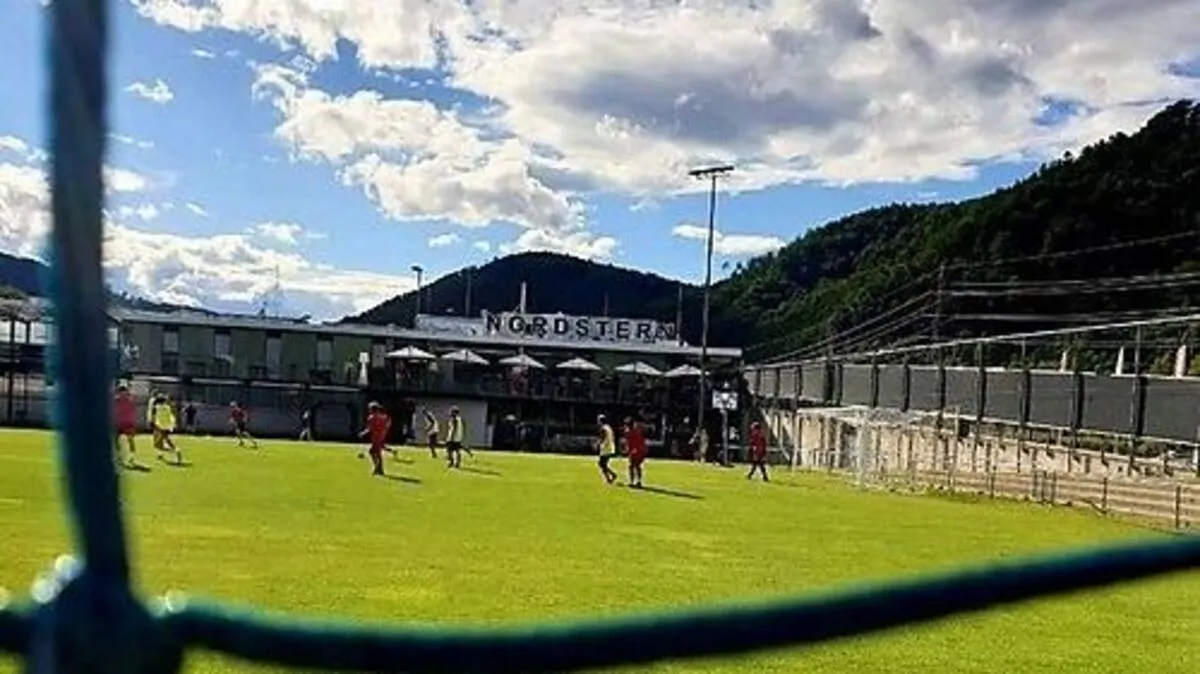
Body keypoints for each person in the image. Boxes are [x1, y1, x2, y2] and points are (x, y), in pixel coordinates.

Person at [148, 393, 183, 464]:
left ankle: (175, 450)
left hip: (160, 426)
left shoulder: (157, 407)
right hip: (167, 426)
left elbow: (154, 417)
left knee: (158, 444)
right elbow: (170, 416)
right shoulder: (168, 407)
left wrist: (152, 423)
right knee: (166, 440)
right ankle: (171, 451)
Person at [359, 401, 392, 477]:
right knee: (378, 453)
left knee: (372, 452)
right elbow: (388, 423)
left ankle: (377, 468)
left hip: (376, 437)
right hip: (381, 436)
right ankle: (379, 469)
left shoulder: (371, 418)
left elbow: (369, 428)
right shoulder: (383, 417)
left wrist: (363, 433)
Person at [113, 385, 140, 468]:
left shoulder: (130, 401)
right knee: (116, 441)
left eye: (124, 392)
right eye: (121, 393)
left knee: (131, 440)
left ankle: (132, 457)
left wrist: (133, 422)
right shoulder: (115, 401)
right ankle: (119, 458)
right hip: (118, 423)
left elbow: (134, 412)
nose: (123, 394)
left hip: (128, 423)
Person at [623, 416, 647, 489]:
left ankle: (633, 482)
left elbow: (631, 443)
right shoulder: (637, 430)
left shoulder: (629, 432)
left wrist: (630, 450)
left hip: (637, 451)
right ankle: (637, 481)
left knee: (632, 466)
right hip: (640, 450)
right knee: (636, 466)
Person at [596, 414, 618, 485]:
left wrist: (599, 444)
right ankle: (609, 478)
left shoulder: (603, 428)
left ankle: (612, 476)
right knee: (603, 464)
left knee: (602, 464)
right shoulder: (608, 427)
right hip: (610, 448)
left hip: (605, 448)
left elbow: (603, 437)